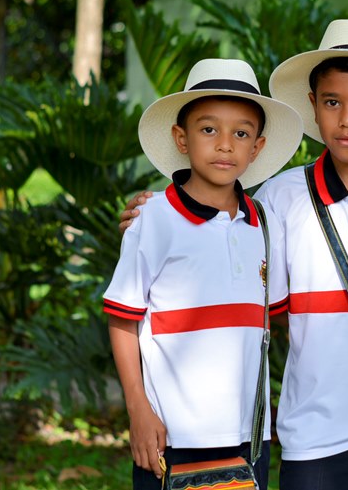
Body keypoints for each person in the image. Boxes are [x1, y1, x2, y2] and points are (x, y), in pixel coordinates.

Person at [120, 18, 348, 490]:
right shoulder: (279, 199)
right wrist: (154, 213)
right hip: (317, 427)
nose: (347, 119)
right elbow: (220, 234)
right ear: (313, 106)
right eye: (332, 102)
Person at [104, 58, 302, 490]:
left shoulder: (265, 226)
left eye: (241, 133)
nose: (226, 145)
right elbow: (123, 318)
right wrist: (138, 410)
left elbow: (276, 317)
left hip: (250, 436)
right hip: (171, 434)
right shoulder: (152, 218)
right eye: (209, 129)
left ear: (258, 147)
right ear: (181, 137)